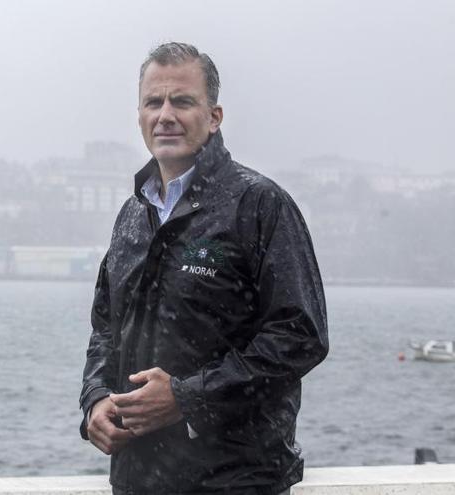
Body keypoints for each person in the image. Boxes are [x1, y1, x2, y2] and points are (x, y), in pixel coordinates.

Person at [79, 42, 329, 495]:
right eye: (154, 102)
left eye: (183, 101)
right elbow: (105, 328)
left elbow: (300, 336)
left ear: (214, 117)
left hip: (238, 480)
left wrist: (188, 397)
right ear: (139, 115)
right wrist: (95, 399)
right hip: (139, 480)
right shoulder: (132, 216)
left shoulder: (259, 204)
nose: (166, 115)